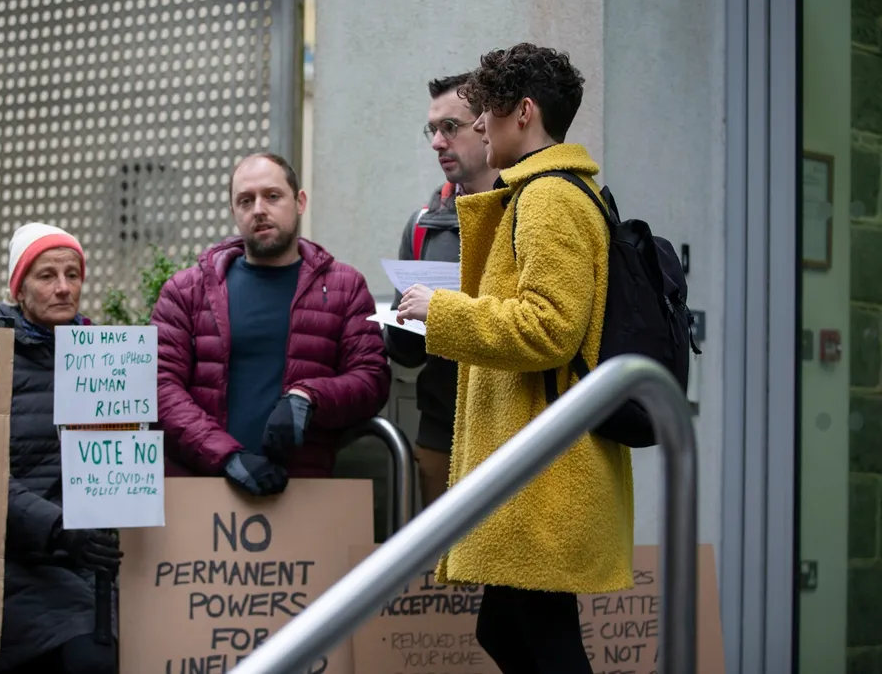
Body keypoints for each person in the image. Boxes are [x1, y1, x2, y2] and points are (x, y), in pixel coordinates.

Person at [397, 43, 634, 673]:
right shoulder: (555, 191)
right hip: (539, 462)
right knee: (511, 631)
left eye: (486, 114)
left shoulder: (548, 197)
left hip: (543, 470)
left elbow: (548, 327)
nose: (476, 127)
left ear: (523, 112)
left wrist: (440, 311)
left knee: (531, 639)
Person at [152, 152, 391, 495]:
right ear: (234, 212)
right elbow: (161, 389)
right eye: (245, 201)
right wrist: (226, 457)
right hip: (202, 491)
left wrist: (308, 397)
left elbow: (371, 380)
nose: (259, 209)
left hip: (303, 494)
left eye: (272, 196)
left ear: (300, 202)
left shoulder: (344, 286)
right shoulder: (186, 291)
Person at [0, 223, 121, 674]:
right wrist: (59, 529)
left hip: (85, 569)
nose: (63, 288)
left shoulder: (107, 361)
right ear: (18, 289)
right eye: (46, 275)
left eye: (73, 274)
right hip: (1, 568)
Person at [384, 72, 501, 509]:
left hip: (517, 436)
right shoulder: (423, 225)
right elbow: (406, 354)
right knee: (445, 577)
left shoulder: (528, 212)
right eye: (432, 129)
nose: (437, 142)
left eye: (449, 127)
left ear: (486, 124)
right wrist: (403, 322)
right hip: (442, 435)